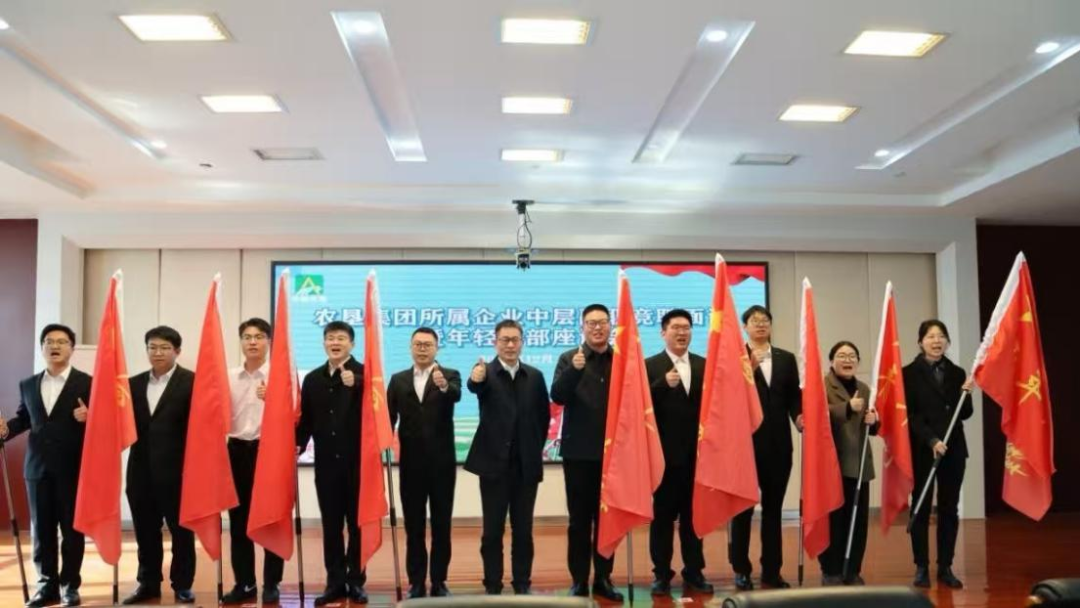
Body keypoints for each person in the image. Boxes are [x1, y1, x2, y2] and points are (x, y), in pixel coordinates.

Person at [0, 324, 90, 608]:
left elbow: (104, 424)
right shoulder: (28, 384)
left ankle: (70, 586)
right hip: (37, 469)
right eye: (49, 341)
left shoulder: (87, 382)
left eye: (62, 342)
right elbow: (24, 419)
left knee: (72, 531)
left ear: (72, 348)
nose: (55, 346)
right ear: (42, 348)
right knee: (41, 531)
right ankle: (46, 585)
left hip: (73, 468)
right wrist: (5, 431)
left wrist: (90, 417)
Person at [465, 320, 551, 596]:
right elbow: (474, 386)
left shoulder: (535, 376)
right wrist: (476, 378)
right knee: (492, 531)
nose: (510, 345)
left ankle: (522, 583)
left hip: (525, 467)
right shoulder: (485, 372)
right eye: (504, 340)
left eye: (515, 339)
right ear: (495, 342)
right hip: (493, 466)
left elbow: (543, 417)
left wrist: (531, 448)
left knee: (523, 531)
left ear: (522, 342)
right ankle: (492, 584)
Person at [551, 303, 623, 602]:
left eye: (602, 322)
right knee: (579, 521)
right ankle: (579, 580)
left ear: (610, 326)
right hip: (579, 454)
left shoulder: (622, 359)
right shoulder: (570, 358)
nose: (597, 327)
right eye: (591, 323)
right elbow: (557, 396)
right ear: (582, 327)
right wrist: (574, 371)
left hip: (614, 456)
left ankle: (604, 578)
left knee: (608, 520)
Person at [729, 305, 803, 590]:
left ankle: (772, 571)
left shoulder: (786, 358)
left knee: (773, 511)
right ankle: (741, 569)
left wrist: (799, 416)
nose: (760, 324)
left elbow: (793, 396)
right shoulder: (735, 358)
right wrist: (747, 369)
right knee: (743, 511)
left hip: (779, 445)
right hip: (745, 447)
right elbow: (726, 395)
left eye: (765, 320)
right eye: (754, 321)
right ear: (744, 326)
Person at [123, 326, 197, 605]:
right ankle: (148, 583)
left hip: (179, 471)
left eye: (165, 347)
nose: (158, 352)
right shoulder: (131, 384)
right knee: (145, 532)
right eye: (152, 347)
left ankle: (183, 584)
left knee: (182, 532)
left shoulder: (192, 382)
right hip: (140, 471)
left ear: (177, 351)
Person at [296, 321, 368, 606]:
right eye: (330, 338)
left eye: (341, 338)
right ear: (324, 343)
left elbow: (379, 410)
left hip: (358, 464)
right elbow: (306, 420)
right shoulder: (313, 379)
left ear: (352, 343)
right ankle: (335, 582)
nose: (335, 342)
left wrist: (359, 383)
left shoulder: (366, 374)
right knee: (331, 525)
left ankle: (356, 581)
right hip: (326, 464)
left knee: (358, 525)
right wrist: (297, 445)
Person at [387, 328, 462, 598]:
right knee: (414, 527)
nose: (422, 349)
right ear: (410, 348)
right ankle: (416, 582)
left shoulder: (449, 375)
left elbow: (455, 394)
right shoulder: (398, 380)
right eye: (417, 344)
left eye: (427, 344)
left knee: (442, 525)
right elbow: (388, 418)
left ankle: (439, 581)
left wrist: (443, 386)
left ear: (436, 348)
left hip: (442, 465)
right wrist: (381, 443)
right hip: (410, 465)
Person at [644, 310, 713, 596]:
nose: (682, 333)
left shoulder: (704, 365)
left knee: (693, 519)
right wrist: (662, 385)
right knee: (661, 519)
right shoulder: (649, 366)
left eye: (686, 328)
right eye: (675, 328)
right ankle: (661, 573)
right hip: (663, 459)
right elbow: (639, 405)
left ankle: (694, 571)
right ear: (663, 332)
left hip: (697, 459)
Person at [904, 319, 973, 590]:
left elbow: (965, 413)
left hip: (954, 449)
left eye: (941, 336)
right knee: (920, 506)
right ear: (920, 342)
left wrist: (966, 394)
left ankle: (945, 566)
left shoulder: (957, 373)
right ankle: (921, 566)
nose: (936, 341)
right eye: (931, 336)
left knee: (949, 508)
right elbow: (911, 414)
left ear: (947, 342)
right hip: (923, 448)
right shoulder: (908, 373)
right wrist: (931, 440)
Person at [221, 318, 285, 605]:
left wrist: (275, 400)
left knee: (272, 520)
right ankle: (244, 583)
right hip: (235, 451)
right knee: (238, 522)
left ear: (269, 341)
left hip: (267, 451)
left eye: (259, 337)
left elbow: (295, 414)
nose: (253, 342)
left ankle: (272, 583)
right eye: (247, 337)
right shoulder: (228, 376)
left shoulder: (280, 376)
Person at [818, 341, 878, 586]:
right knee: (834, 520)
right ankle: (831, 570)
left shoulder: (864, 388)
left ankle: (852, 570)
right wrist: (847, 407)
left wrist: (874, 420)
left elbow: (872, 427)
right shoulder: (822, 385)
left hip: (859, 463)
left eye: (852, 356)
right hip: (832, 464)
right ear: (831, 361)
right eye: (842, 356)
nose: (847, 360)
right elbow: (817, 415)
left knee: (858, 520)